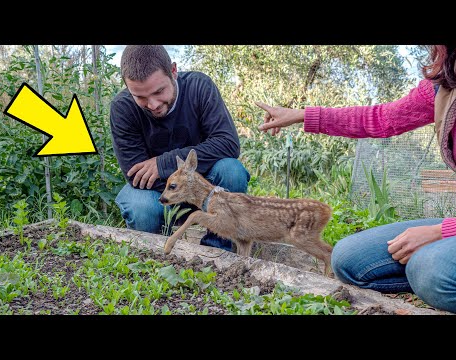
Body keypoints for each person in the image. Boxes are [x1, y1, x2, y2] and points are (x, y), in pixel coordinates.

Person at [255, 45, 456, 313]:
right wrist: (302, 115)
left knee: (430, 271)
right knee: (348, 258)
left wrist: (440, 233)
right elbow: (382, 118)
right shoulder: (444, 86)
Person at [110, 45, 250, 252]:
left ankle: (218, 252)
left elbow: (227, 142)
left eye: (159, 91)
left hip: (205, 189)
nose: (153, 104)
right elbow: (136, 175)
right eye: (140, 97)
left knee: (231, 170)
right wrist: (177, 190)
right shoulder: (122, 108)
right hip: (157, 195)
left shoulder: (199, 87)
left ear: (173, 71)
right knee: (140, 207)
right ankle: (151, 255)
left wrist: (162, 164)